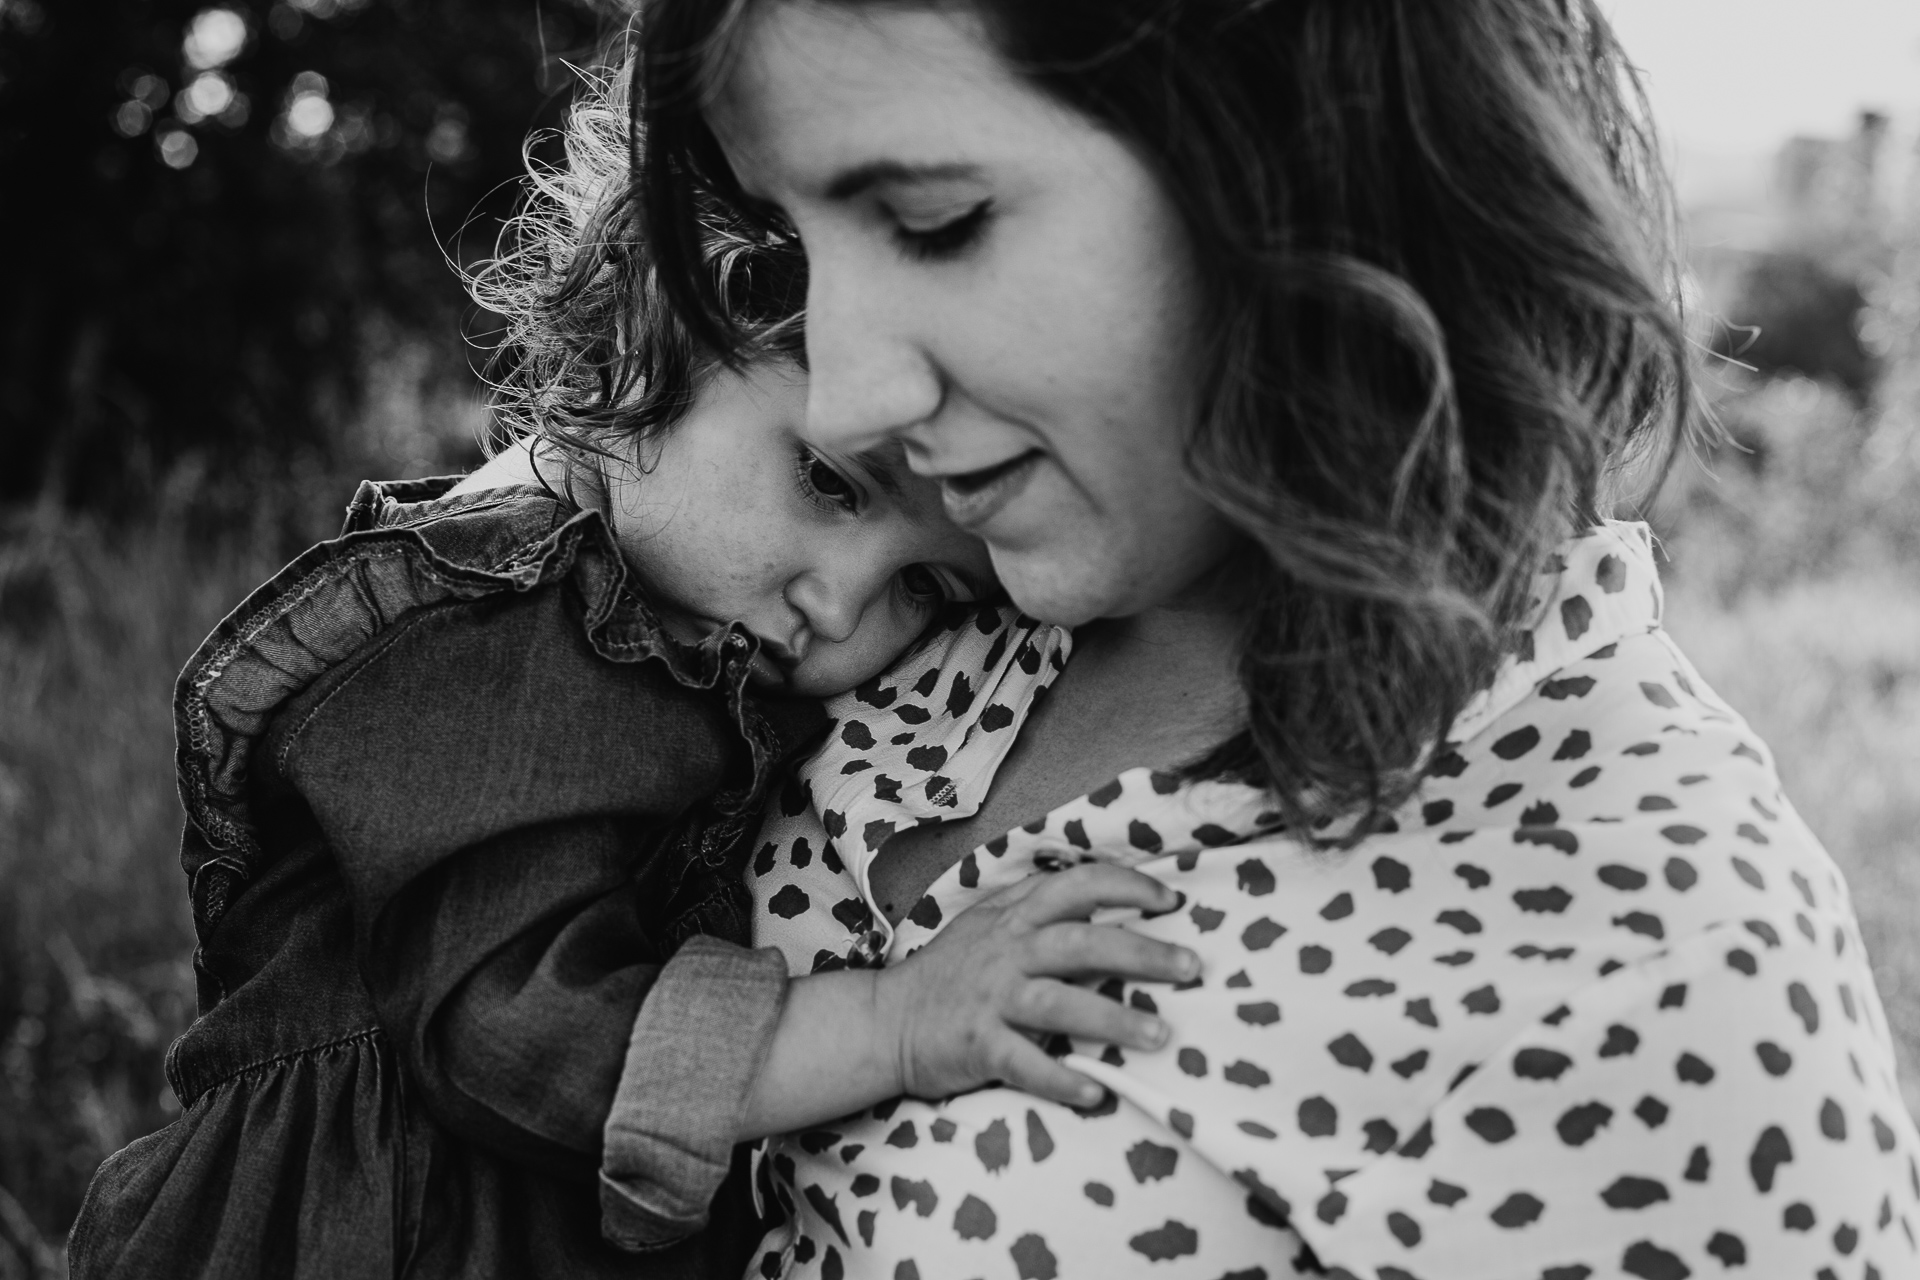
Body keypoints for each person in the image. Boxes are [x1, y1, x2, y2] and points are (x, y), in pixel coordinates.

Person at [636, 2, 1920, 1277]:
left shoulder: (1660, 963)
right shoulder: (949, 589)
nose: (848, 396)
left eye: (934, 224)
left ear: (1305, 153)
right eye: (792, 241)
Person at [66, 69, 1199, 1280]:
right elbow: (517, 1030)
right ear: (661, 315)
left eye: (925, 587)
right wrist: (898, 1020)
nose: (840, 602)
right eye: (825, 483)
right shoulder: (496, 628)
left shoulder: (667, 622)